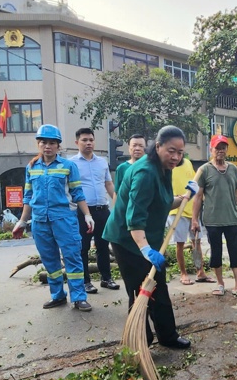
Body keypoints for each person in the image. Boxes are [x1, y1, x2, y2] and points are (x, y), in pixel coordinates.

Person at [103, 125, 199, 349]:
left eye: (180, 152)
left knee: (158, 287)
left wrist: (185, 197)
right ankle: (140, 341)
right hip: (128, 241)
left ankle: (167, 336)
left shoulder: (164, 168)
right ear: (157, 147)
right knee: (140, 291)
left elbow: (162, 203)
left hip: (147, 239)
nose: (176, 157)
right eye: (171, 151)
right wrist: (145, 249)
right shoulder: (145, 172)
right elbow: (134, 218)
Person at [13, 124, 94, 312]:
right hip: (40, 221)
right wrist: (22, 221)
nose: (47, 146)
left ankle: (79, 297)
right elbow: (28, 197)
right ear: (38, 144)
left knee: (72, 257)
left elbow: (78, 193)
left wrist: (88, 215)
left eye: (51, 143)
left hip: (64, 219)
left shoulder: (68, 166)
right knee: (50, 261)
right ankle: (57, 296)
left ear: (58, 146)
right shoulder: (31, 167)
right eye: (43, 142)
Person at [191, 134, 237, 299]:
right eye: (217, 147)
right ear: (211, 149)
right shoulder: (204, 170)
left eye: (223, 147)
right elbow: (197, 196)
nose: (220, 151)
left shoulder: (234, 169)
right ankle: (220, 283)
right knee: (216, 253)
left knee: (236, 252)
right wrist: (194, 219)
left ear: (227, 150)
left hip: (232, 218)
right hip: (212, 220)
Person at [72, 127, 119, 295]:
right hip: (84, 212)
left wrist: (117, 202)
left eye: (91, 140)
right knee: (83, 247)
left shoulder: (102, 162)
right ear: (77, 142)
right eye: (84, 140)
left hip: (102, 210)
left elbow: (108, 184)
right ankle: (86, 282)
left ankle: (106, 278)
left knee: (103, 245)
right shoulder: (71, 163)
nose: (88, 143)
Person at [169, 153, 203, 285]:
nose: (177, 155)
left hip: (192, 209)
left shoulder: (188, 163)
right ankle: (183, 274)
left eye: (180, 151)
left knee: (197, 242)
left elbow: (195, 183)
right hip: (177, 210)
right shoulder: (168, 165)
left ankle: (200, 272)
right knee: (180, 244)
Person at [113, 133, 147, 200]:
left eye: (141, 146)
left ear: (145, 148)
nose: (137, 148)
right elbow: (117, 193)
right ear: (129, 148)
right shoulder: (121, 168)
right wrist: (115, 210)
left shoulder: (150, 168)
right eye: (134, 145)